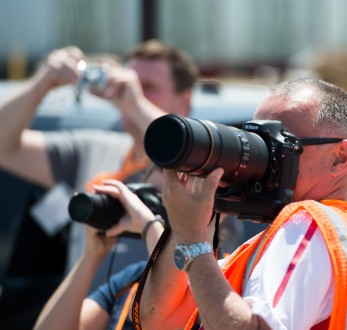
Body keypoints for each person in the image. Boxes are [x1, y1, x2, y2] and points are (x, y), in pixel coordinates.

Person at [138, 78, 347, 330]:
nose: (263, 160)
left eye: (279, 145)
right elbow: (160, 315)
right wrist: (199, 210)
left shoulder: (310, 224)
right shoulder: (284, 238)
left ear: (339, 159)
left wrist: (193, 242)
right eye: (255, 142)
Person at [0, 39, 198, 277]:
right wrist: (42, 84)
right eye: (131, 82)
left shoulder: (198, 166)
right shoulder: (93, 148)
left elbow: (182, 156)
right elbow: (5, 147)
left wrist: (135, 104)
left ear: (184, 102)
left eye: (147, 86)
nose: (133, 92)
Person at [28, 175, 179, 330]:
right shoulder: (130, 282)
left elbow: (182, 295)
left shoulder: (216, 283)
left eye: (167, 199)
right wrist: (92, 256)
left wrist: (151, 227)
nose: (150, 212)